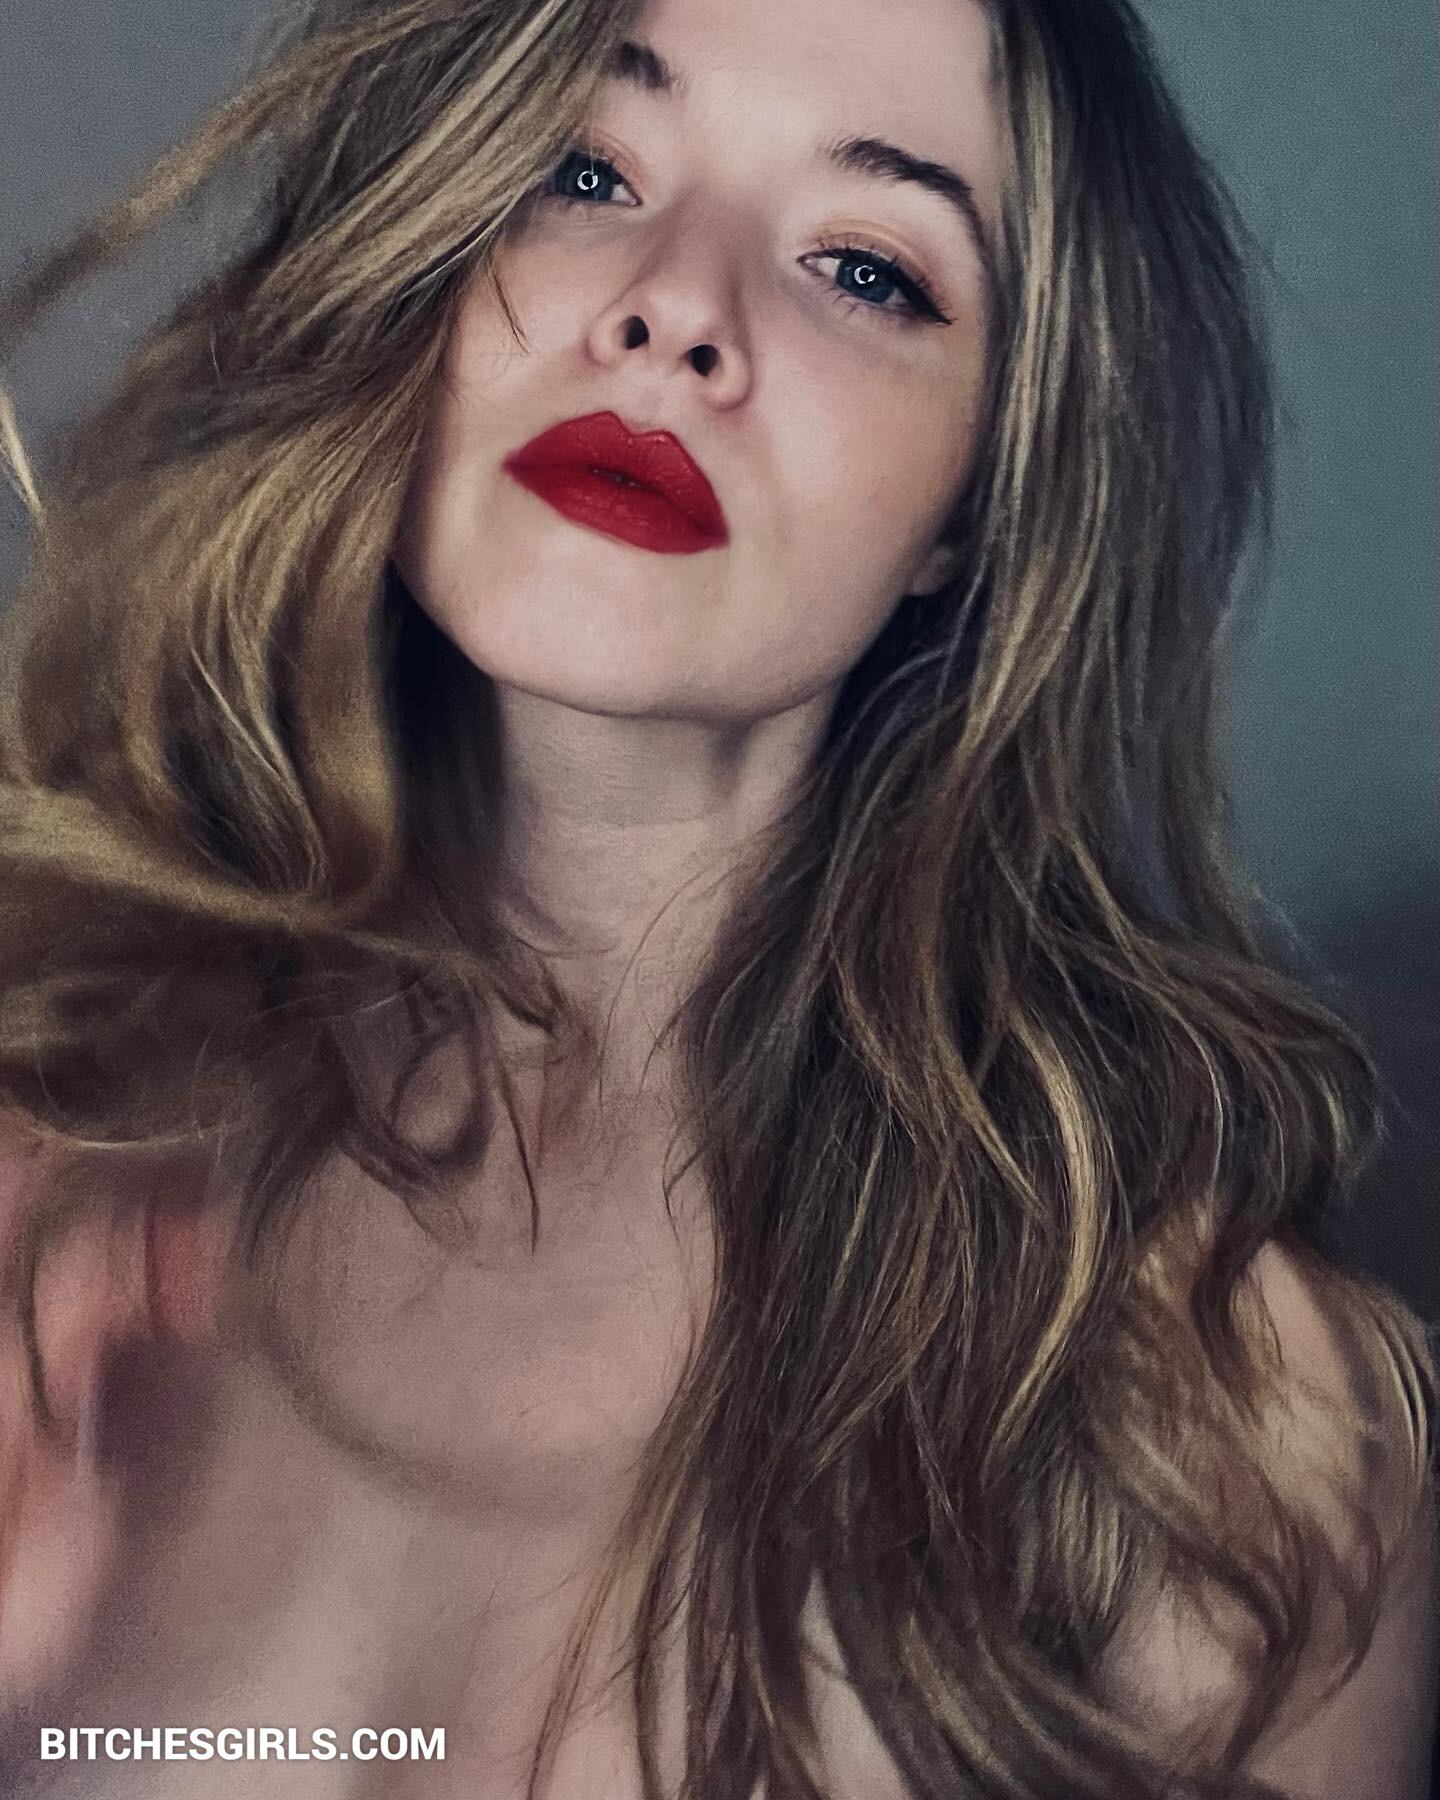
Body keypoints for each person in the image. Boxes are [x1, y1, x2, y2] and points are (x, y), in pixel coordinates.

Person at [0, 0, 1434, 1795]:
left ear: (976, 504)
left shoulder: (1230, 1448)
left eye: (867, 267)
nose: (676, 305)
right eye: (585, 170)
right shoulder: (40, 1120)